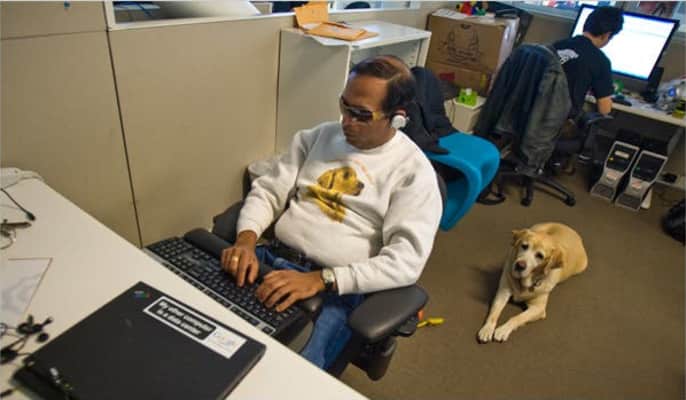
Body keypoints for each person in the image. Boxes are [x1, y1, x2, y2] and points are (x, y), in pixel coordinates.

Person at [220, 56, 443, 369]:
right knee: (207, 329)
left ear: (397, 118)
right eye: (344, 106)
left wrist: (322, 279)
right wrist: (245, 240)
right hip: (270, 260)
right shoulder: (316, 137)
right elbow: (269, 191)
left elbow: (405, 262)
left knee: (281, 373)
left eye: (361, 114)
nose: (346, 122)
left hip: (335, 290)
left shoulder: (414, 173)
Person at [553, 6, 624, 117]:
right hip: (559, 120)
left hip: (533, 116)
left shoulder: (557, 45)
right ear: (607, 35)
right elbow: (604, 109)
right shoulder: (600, 60)